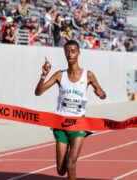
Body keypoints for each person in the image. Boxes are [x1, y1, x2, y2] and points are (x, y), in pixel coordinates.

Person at [35, 40, 106, 180]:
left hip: (79, 123)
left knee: (71, 165)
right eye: (67, 51)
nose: (70, 54)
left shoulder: (88, 75)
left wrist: (101, 94)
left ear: (79, 53)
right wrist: (43, 75)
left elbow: (102, 92)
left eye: (73, 51)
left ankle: (70, 157)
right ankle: (67, 155)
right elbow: (38, 92)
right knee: (61, 170)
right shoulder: (59, 75)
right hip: (60, 123)